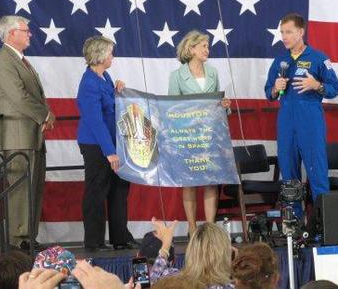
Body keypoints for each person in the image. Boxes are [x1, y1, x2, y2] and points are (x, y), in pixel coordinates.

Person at [264, 13, 338, 216]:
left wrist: (316, 85)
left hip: (310, 123)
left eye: (288, 32)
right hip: (287, 124)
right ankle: (294, 228)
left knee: (317, 175)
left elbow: (334, 88)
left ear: (300, 32)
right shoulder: (280, 61)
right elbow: (268, 93)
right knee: (289, 177)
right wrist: (275, 88)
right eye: (282, 32)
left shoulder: (319, 58)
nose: (284, 37)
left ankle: (322, 226)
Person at [0, 15, 55, 248]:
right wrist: (45, 115)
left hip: (31, 134)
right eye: (26, 30)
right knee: (19, 188)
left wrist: (44, 115)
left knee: (33, 188)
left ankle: (29, 236)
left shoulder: (20, 60)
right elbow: (19, 96)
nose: (30, 34)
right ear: (11, 34)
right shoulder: (3, 61)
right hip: (17, 135)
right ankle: (19, 240)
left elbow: (33, 95)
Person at [77, 35, 136, 252]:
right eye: (110, 53)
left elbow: (109, 106)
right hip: (96, 145)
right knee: (96, 192)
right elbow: (95, 121)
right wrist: (110, 152)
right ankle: (94, 242)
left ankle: (120, 237)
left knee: (119, 189)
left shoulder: (105, 77)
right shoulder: (89, 83)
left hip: (112, 142)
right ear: (100, 56)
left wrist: (116, 88)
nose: (112, 56)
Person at [168, 30, 231, 235]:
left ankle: (210, 227)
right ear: (191, 48)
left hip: (211, 135)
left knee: (211, 181)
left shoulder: (212, 73)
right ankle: (193, 228)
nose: (207, 50)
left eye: (207, 46)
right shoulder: (177, 76)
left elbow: (218, 105)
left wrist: (224, 105)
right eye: (203, 46)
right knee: (191, 181)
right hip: (188, 136)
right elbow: (171, 109)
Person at [149, 217, 233, 289]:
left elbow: (155, 277)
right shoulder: (226, 287)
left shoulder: (171, 278)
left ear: (191, 250)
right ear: (224, 254)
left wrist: (166, 244)